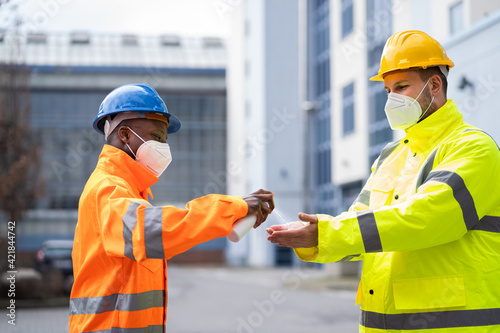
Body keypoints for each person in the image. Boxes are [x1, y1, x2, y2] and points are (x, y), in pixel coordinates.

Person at [267, 30, 500, 332]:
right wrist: (314, 237)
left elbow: (427, 218)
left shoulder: (472, 147)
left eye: (401, 87)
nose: (391, 99)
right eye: (387, 90)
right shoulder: (391, 157)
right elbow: (359, 225)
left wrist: (329, 234)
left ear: (435, 84)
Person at [70, 84, 275, 333]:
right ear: (125, 135)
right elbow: (152, 232)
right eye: (157, 137)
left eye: (165, 141)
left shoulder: (131, 192)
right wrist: (233, 207)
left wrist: (236, 211)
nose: (163, 148)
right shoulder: (107, 188)